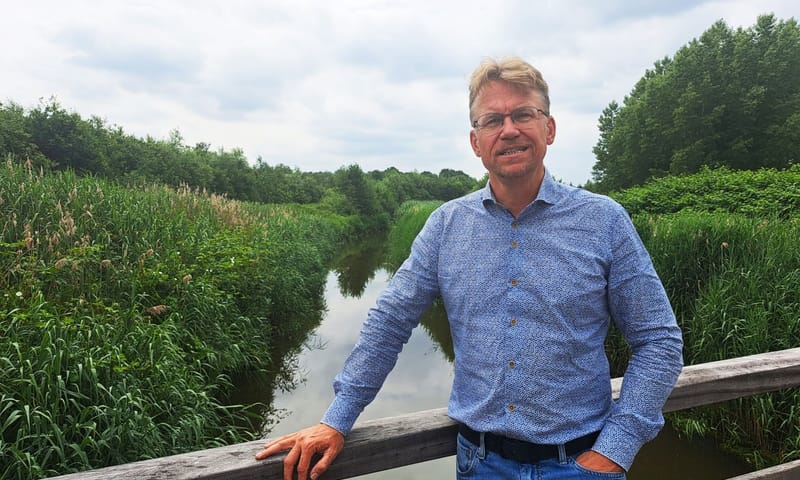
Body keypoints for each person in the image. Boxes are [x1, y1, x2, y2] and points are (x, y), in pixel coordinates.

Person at [255, 56, 684, 480]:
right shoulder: (446, 225)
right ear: (476, 142)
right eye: (492, 120)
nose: (509, 129)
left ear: (548, 129)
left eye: (523, 114)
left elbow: (658, 340)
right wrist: (336, 418)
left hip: (582, 463)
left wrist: (616, 448)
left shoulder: (603, 220)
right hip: (480, 465)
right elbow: (390, 321)